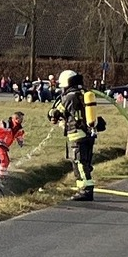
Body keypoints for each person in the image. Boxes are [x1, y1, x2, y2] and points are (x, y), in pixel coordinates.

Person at [49, 70, 100, 201]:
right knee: (85, 161)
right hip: (89, 133)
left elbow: (56, 111)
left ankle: (86, 190)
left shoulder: (69, 96)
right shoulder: (83, 93)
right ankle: (83, 188)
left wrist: (53, 115)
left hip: (77, 134)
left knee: (79, 162)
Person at [0, 111, 26, 179]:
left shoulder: (18, 128)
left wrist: (20, 141)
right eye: (21, 119)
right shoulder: (5, 124)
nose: (22, 121)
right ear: (16, 118)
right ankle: (1, 177)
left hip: (4, 146)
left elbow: (19, 135)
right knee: (5, 160)